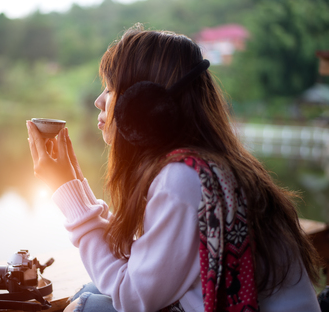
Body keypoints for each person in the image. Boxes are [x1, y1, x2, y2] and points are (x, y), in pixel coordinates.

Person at [26, 24, 321, 312]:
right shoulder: (204, 167)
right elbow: (149, 262)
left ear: (143, 103)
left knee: (88, 307)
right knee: (93, 289)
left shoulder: (181, 180)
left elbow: (133, 297)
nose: (98, 101)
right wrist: (74, 186)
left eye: (111, 88)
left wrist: (65, 193)